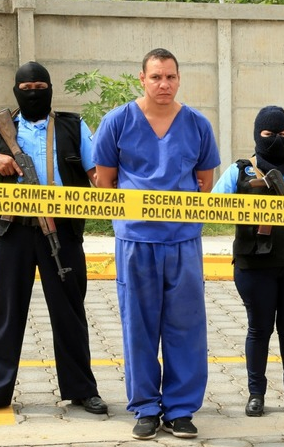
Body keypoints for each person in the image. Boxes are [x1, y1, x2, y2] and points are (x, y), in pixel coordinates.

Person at [0, 61, 107, 417]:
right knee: (4, 313)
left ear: (51, 89)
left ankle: (81, 390)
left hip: (62, 230)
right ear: (16, 91)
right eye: (26, 89)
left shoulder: (73, 127)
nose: (33, 94)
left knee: (70, 311)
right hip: (12, 231)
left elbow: (98, 177)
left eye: (39, 87)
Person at [93, 48, 220, 440]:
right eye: (156, 77)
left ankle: (181, 409)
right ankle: (146, 407)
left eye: (170, 77)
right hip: (136, 241)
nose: (163, 84)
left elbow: (205, 181)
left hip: (182, 240)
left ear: (179, 79)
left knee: (185, 327)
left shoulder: (197, 124)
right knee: (140, 326)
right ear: (141, 79)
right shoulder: (118, 121)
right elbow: (105, 181)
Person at [212, 105, 284, 418]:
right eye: (268, 133)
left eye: (282, 133)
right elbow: (214, 208)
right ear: (257, 134)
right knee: (259, 330)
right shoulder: (241, 171)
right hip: (255, 264)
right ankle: (256, 394)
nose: (276, 138)